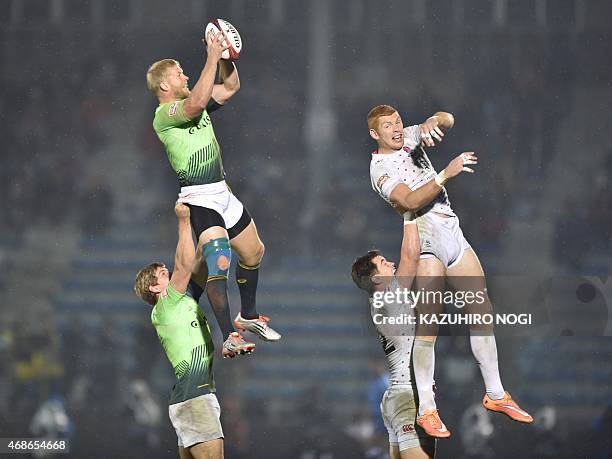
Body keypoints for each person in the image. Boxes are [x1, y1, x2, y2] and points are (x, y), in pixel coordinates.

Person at [368, 105, 532, 438]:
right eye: (389, 126)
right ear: (375, 134)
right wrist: (446, 173)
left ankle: (496, 394)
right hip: (427, 241)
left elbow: (448, 118)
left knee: (482, 310)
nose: (397, 128)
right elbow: (410, 201)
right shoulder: (379, 168)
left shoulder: (411, 136)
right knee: (427, 327)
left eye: (399, 121)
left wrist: (432, 121)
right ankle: (427, 409)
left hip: (453, 232)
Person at [145, 30, 281, 357]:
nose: (186, 75)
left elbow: (231, 87)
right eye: (179, 74)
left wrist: (225, 58)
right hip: (198, 197)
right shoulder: (164, 115)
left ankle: (247, 316)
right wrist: (210, 55)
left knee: (254, 253)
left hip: (222, 191)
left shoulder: (198, 100)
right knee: (220, 258)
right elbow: (193, 105)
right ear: (165, 86)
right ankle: (229, 336)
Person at [134, 203, 227, 459]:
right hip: (195, 396)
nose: (170, 271)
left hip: (189, 397)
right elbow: (185, 265)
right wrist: (184, 220)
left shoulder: (181, 302)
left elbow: (198, 259)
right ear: (155, 288)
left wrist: (205, 218)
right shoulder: (165, 306)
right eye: (163, 273)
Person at [351, 214, 435, 459]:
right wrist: (410, 215)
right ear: (376, 278)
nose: (391, 264)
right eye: (384, 262)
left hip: (400, 396)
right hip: (406, 396)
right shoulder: (388, 298)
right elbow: (410, 258)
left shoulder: (383, 301)